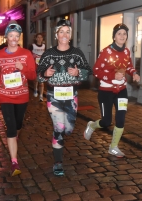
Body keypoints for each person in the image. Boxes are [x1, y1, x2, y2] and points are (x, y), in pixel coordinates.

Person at [37, 19, 92, 176]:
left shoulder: (77, 53)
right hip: (54, 97)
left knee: (68, 129)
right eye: (61, 31)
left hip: (71, 97)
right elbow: (39, 76)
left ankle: (61, 139)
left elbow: (89, 71)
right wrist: (45, 74)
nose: (64, 34)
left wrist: (78, 73)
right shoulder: (48, 54)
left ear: (70, 35)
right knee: (59, 128)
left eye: (67, 32)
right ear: (56, 34)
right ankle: (58, 163)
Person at [83, 23, 140, 158]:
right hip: (106, 91)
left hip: (122, 91)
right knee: (106, 121)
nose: (122, 36)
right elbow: (96, 71)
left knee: (121, 119)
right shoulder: (106, 52)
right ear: (114, 36)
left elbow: (129, 66)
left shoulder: (126, 51)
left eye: (124, 34)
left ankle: (113, 147)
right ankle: (92, 125)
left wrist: (134, 73)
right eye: (119, 33)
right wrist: (112, 76)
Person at [0, 22, 36, 176]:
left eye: (17, 36)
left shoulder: (26, 54)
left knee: (18, 124)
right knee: (10, 127)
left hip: (22, 95)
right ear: (6, 37)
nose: (14, 38)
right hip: (5, 95)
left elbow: (33, 75)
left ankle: (14, 137)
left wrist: (23, 68)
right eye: (11, 36)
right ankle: (14, 162)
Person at [29, 33, 46, 102]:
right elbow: (28, 54)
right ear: (36, 38)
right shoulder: (32, 46)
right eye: (38, 37)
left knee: (41, 81)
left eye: (41, 37)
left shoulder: (44, 46)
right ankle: (35, 88)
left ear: (42, 39)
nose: (39, 39)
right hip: (34, 64)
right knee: (36, 79)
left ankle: (41, 95)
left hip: (41, 65)